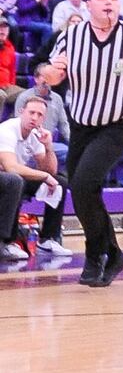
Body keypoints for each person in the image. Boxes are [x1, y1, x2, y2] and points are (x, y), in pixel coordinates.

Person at [34, 0, 123, 286]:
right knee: (82, 188)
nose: (108, 2)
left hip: (121, 121)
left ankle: (95, 254)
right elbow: (57, 73)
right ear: (89, 5)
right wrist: (52, 73)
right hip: (82, 122)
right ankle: (111, 253)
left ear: (119, 4)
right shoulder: (72, 35)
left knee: (84, 182)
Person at [0, 94, 69, 259]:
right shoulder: (7, 130)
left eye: (39, 115)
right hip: (7, 177)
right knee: (16, 181)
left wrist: (48, 147)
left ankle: (48, 239)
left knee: (60, 182)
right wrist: (45, 176)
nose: (34, 118)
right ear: (21, 112)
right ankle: (8, 241)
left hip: (13, 176)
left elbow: (50, 170)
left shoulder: (36, 134)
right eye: (31, 113)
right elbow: (11, 167)